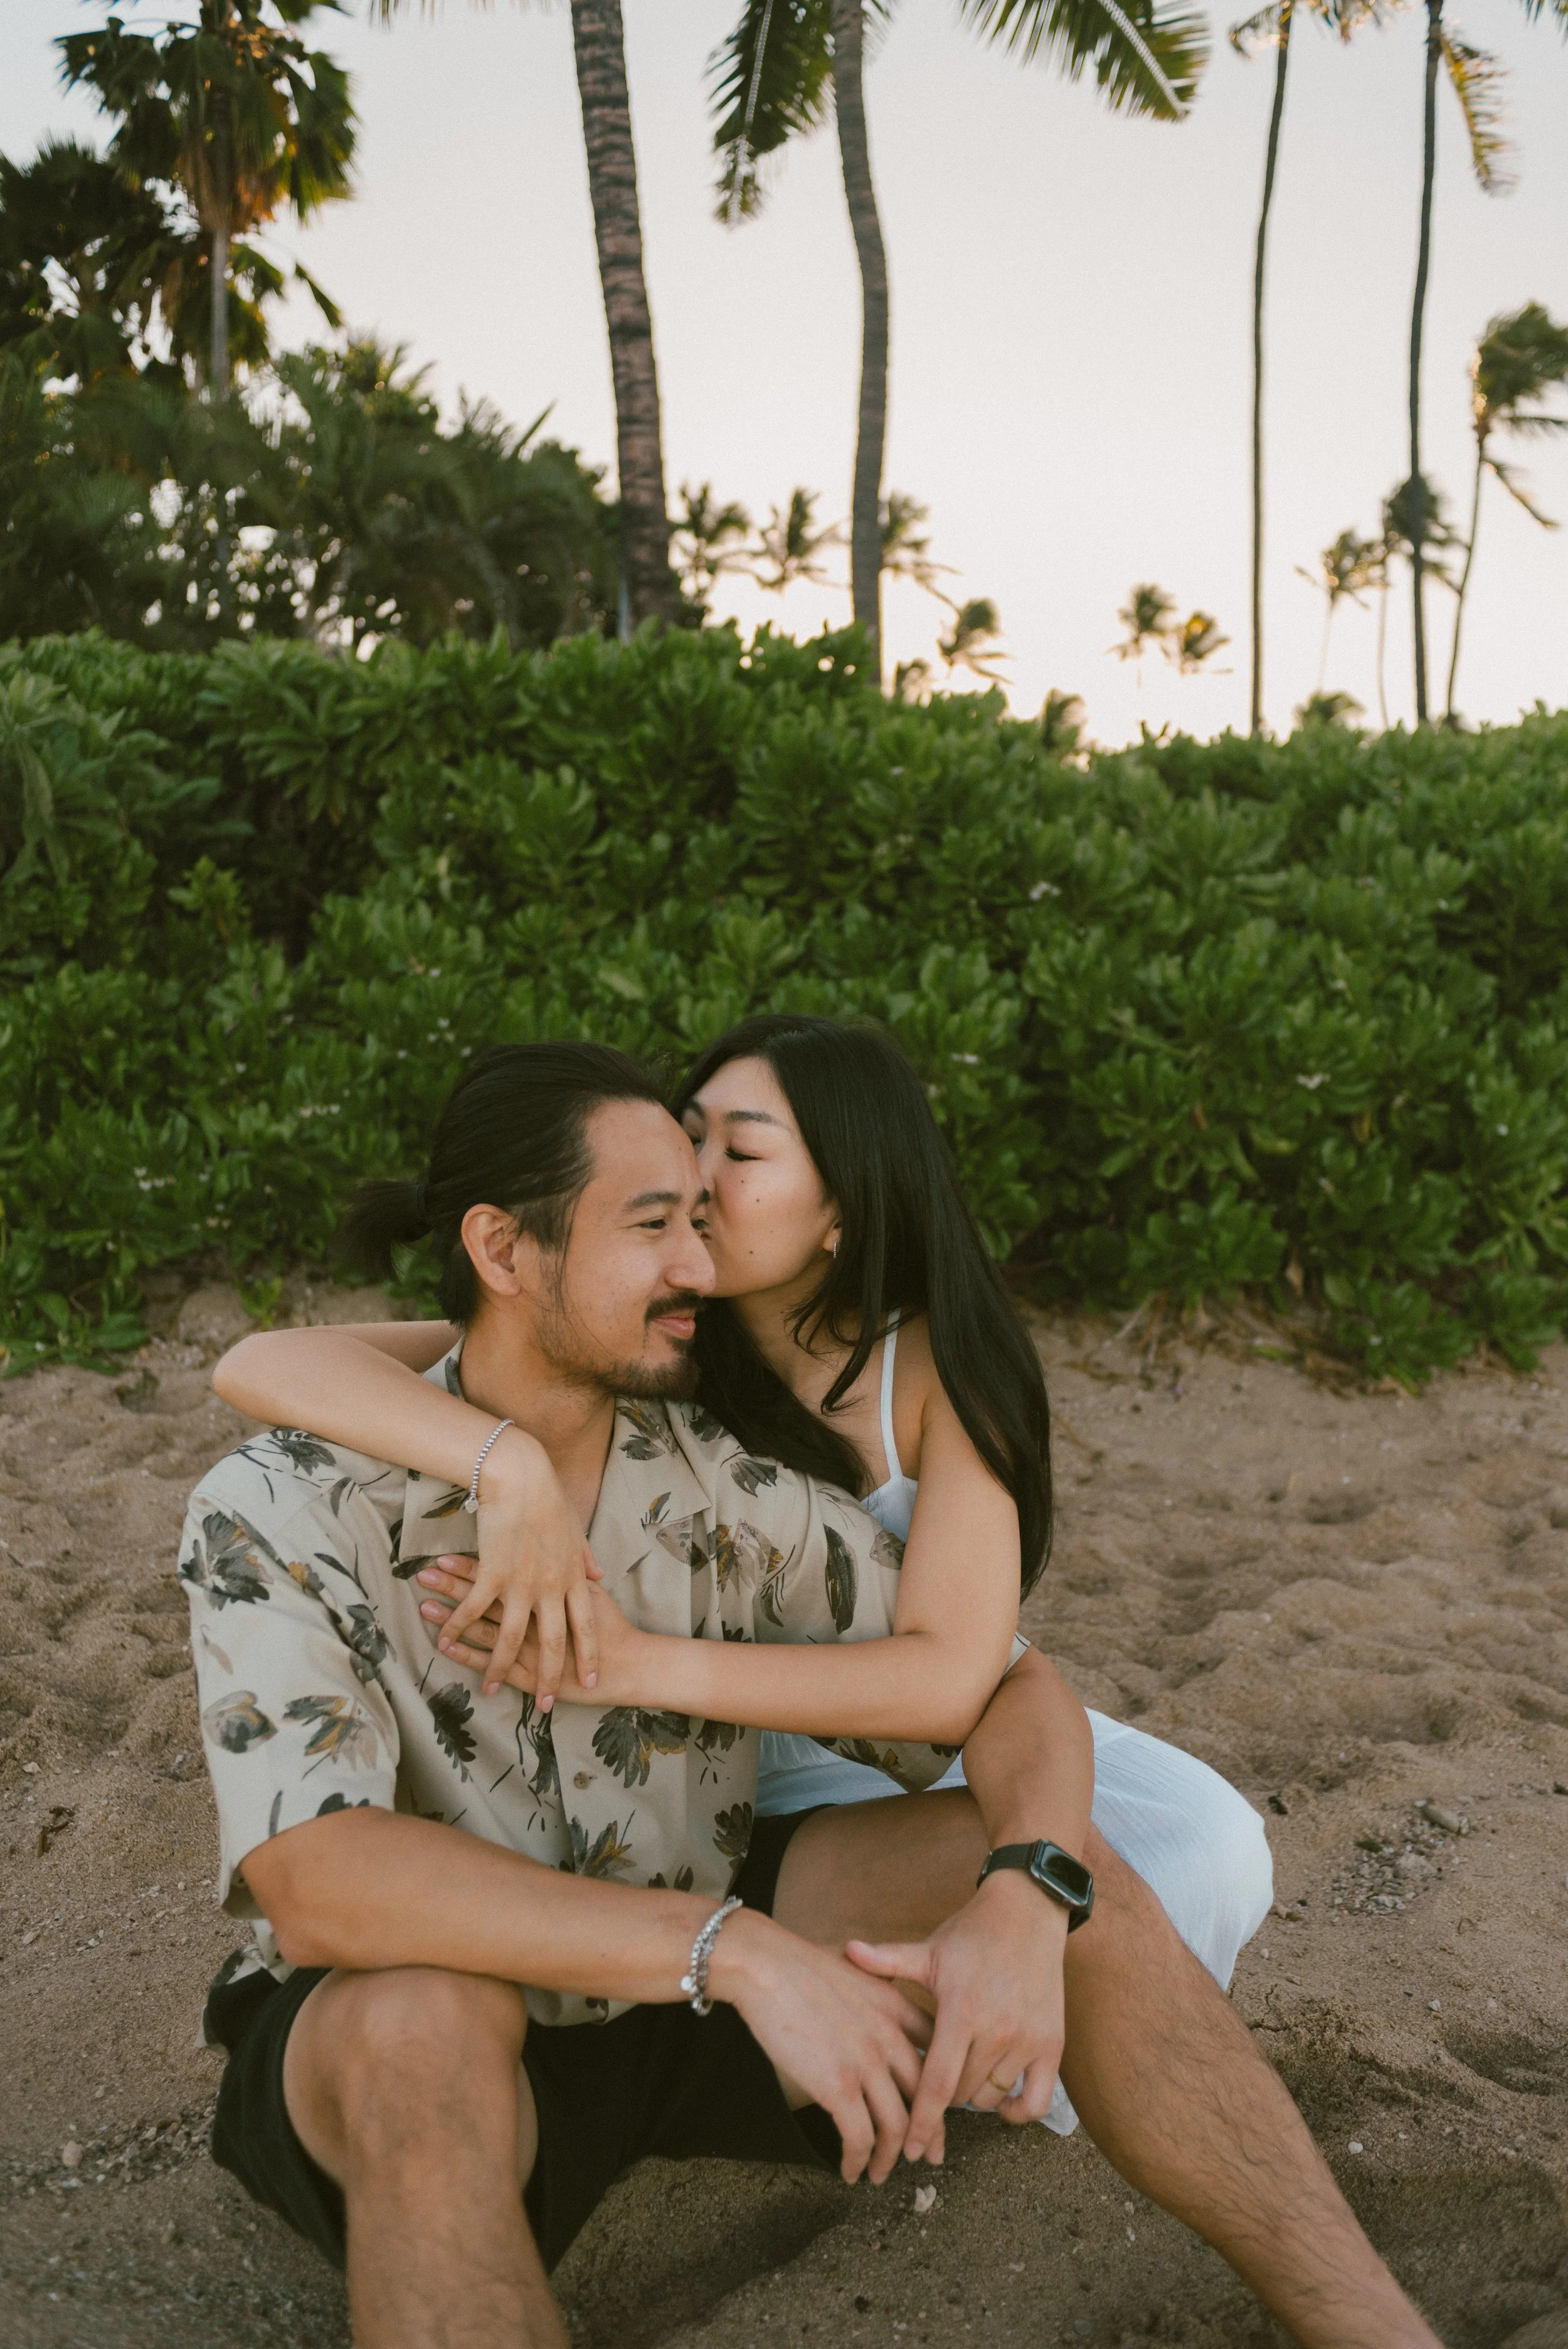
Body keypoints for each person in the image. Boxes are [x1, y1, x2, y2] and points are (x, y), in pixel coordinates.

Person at [186, 1040, 1442, 2349]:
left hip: (691, 1962)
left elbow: (1003, 1689)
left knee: (1071, 1876)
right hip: (464, 2002)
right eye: (652, 1223)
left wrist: (1025, 1888)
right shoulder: (283, 1504)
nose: (696, 1261)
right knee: (416, 2026)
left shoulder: (720, 1484)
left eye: (704, 1206)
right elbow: (317, 1885)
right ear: (504, 1252)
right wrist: (738, 1954)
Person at [218, 1015, 1273, 2136]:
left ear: (842, 1210)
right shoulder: (646, 1331)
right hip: (716, 1769)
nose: (698, 1182)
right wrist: (506, 1461)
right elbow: (262, 1362)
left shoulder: (933, 1366)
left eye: (743, 1151)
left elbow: (950, 1684)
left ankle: (1017, 2050)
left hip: (887, 1721)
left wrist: (640, 1666)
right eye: (689, 1142)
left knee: (1192, 1846)